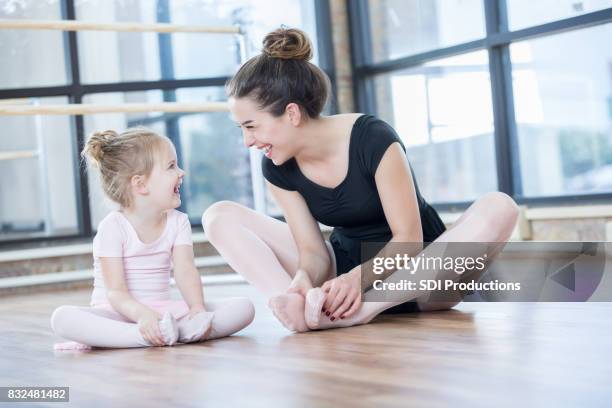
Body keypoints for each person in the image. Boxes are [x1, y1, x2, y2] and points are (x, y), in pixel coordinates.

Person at [203, 27, 519, 333]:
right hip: (344, 268)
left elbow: (408, 238)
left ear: (292, 114)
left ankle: (362, 311)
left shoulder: (373, 138)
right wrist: (302, 277)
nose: (247, 141)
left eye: (251, 126)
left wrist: (357, 281)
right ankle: (293, 307)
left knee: (500, 207)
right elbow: (313, 252)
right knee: (219, 216)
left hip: (421, 274)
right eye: (241, 129)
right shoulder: (277, 166)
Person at [50, 128, 254, 349]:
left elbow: (185, 271)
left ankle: (173, 332)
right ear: (140, 184)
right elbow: (116, 292)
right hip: (117, 312)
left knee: (243, 308)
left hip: (164, 311)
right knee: (62, 318)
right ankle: (143, 335)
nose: (181, 172)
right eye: (171, 166)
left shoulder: (178, 222)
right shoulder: (112, 227)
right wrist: (143, 316)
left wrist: (196, 309)